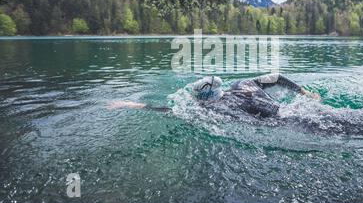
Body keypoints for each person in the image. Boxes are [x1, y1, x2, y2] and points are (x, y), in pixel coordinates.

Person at [108, 73, 320, 118]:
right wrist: (305, 92)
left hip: (291, 122)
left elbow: (170, 110)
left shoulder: (211, 108)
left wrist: (132, 105)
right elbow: (276, 76)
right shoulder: (242, 83)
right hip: (298, 110)